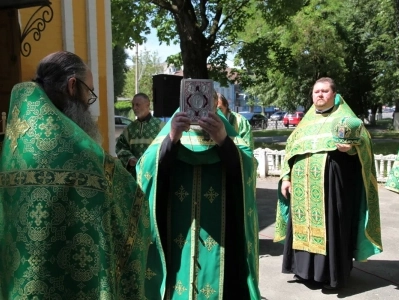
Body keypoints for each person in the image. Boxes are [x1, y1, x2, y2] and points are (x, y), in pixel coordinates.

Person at [0, 51, 150, 299]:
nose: (90, 105)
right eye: (89, 93)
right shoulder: (84, 155)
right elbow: (132, 206)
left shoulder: (13, 147)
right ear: (72, 86)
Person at [136, 95, 261, 299]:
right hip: (176, 231)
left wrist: (222, 139)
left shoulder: (226, 131)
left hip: (223, 237)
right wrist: (172, 138)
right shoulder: (171, 128)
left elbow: (247, 168)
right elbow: (146, 167)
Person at [274, 77, 382, 290]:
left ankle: (331, 275)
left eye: (324, 91)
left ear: (334, 94)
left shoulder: (345, 118)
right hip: (301, 187)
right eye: (316, 92)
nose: (320, 95)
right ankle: (303, 271)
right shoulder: (306, 121)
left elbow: (364, 145)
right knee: (301, 227)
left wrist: (350, 149)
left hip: (332, 186)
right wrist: (286, 177)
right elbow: (291, 149)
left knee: (332, 226)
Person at [116, 93, 164, 178]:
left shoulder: (160, 126)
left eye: (137, 105)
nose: (134, 108)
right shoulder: (129, 129)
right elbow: (120, 147)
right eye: (133, 105)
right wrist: (129, 158)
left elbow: (166, 148)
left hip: (154, 174)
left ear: (148, 105)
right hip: (135, 175)